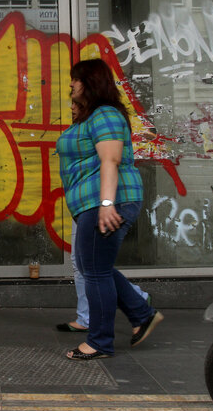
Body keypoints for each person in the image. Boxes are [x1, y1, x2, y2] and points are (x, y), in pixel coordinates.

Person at [56, 58, 163, 360]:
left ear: (89, 83)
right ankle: (142, 314)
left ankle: (100, 341)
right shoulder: (92, 117)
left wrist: (105, 204)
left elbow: (110, 160)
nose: (71, 86)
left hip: (105, 201)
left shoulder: (106, 115)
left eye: (75, 80)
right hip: (92, 202)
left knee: (95, 272)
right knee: (94, 266)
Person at [56, 218, 150, 332]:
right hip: (83, 205)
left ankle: (136, 298)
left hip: (93, 206)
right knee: (82, 262)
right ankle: (86, 318)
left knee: (91, 263)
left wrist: (107, 204)